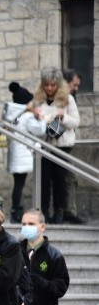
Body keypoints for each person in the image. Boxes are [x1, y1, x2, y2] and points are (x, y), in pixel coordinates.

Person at [30, 66, 79, 224]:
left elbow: (76, 122)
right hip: (44, 145)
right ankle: (44, 212)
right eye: (47, 85)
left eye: (53, 85)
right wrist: (36, 117)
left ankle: (59, 212)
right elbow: (30, 123)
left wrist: (62, 116)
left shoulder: (67, 99)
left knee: (60, 180)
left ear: (58, 85)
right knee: (44, 179)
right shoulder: (38, 100)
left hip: (62, 145)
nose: (50, 88)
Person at [3, 82, 45, 223]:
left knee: (18, 184)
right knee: (20, 184)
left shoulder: (13, 115)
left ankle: (16, 209)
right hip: (24, 154)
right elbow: (39, 130)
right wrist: (41, 119)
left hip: (16, 155)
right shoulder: (26, 117)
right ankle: (17, 211)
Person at [61, 69, 85, 225]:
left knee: (69, 178)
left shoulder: (70, 98)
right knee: (70, 177)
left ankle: (66, 211)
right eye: (74, 85)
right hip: (58, 147)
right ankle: (67, 211)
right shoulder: (61, 98)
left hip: (66, 147)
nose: (76, 88)